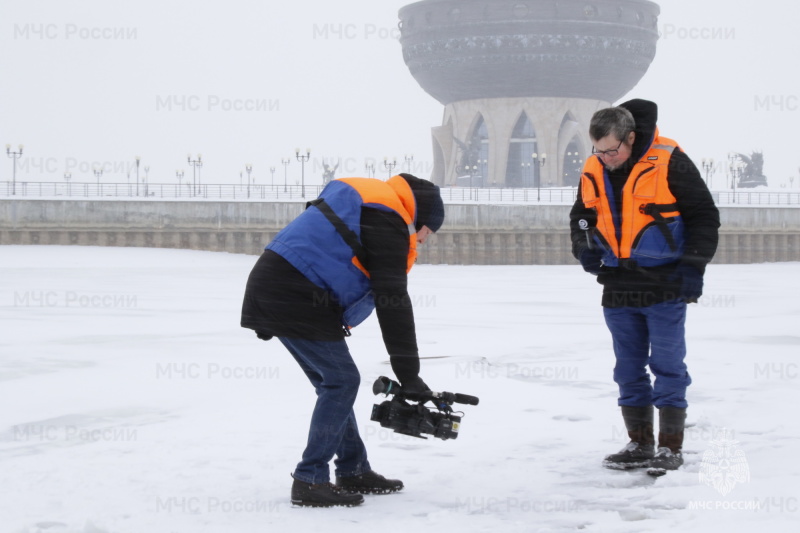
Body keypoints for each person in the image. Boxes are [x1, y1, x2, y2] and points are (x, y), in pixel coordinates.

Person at [241, 173, 445, 506]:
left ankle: (352, 470)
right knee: (342, 381)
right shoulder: (388, 220)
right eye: (428, 232)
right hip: (294, 294)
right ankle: (310, 479)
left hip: (282, 288)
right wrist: (410, 377)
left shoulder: (372, 205)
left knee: (336, 383)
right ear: (421, 217)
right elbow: (392, 300)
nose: (424, 239)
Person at [569, 99, 720, 472]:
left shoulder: (670, 159)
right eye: (598, 150)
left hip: (665, 283)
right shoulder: (593, 168)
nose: (605, 157)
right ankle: (639, 444)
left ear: (631, 139)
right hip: (618, 284)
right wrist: (584, 249)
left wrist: (693, 269)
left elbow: (704, 216)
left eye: (612, 150)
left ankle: (670, 447)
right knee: (628, 368)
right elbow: (581, 217)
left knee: (668, 366)